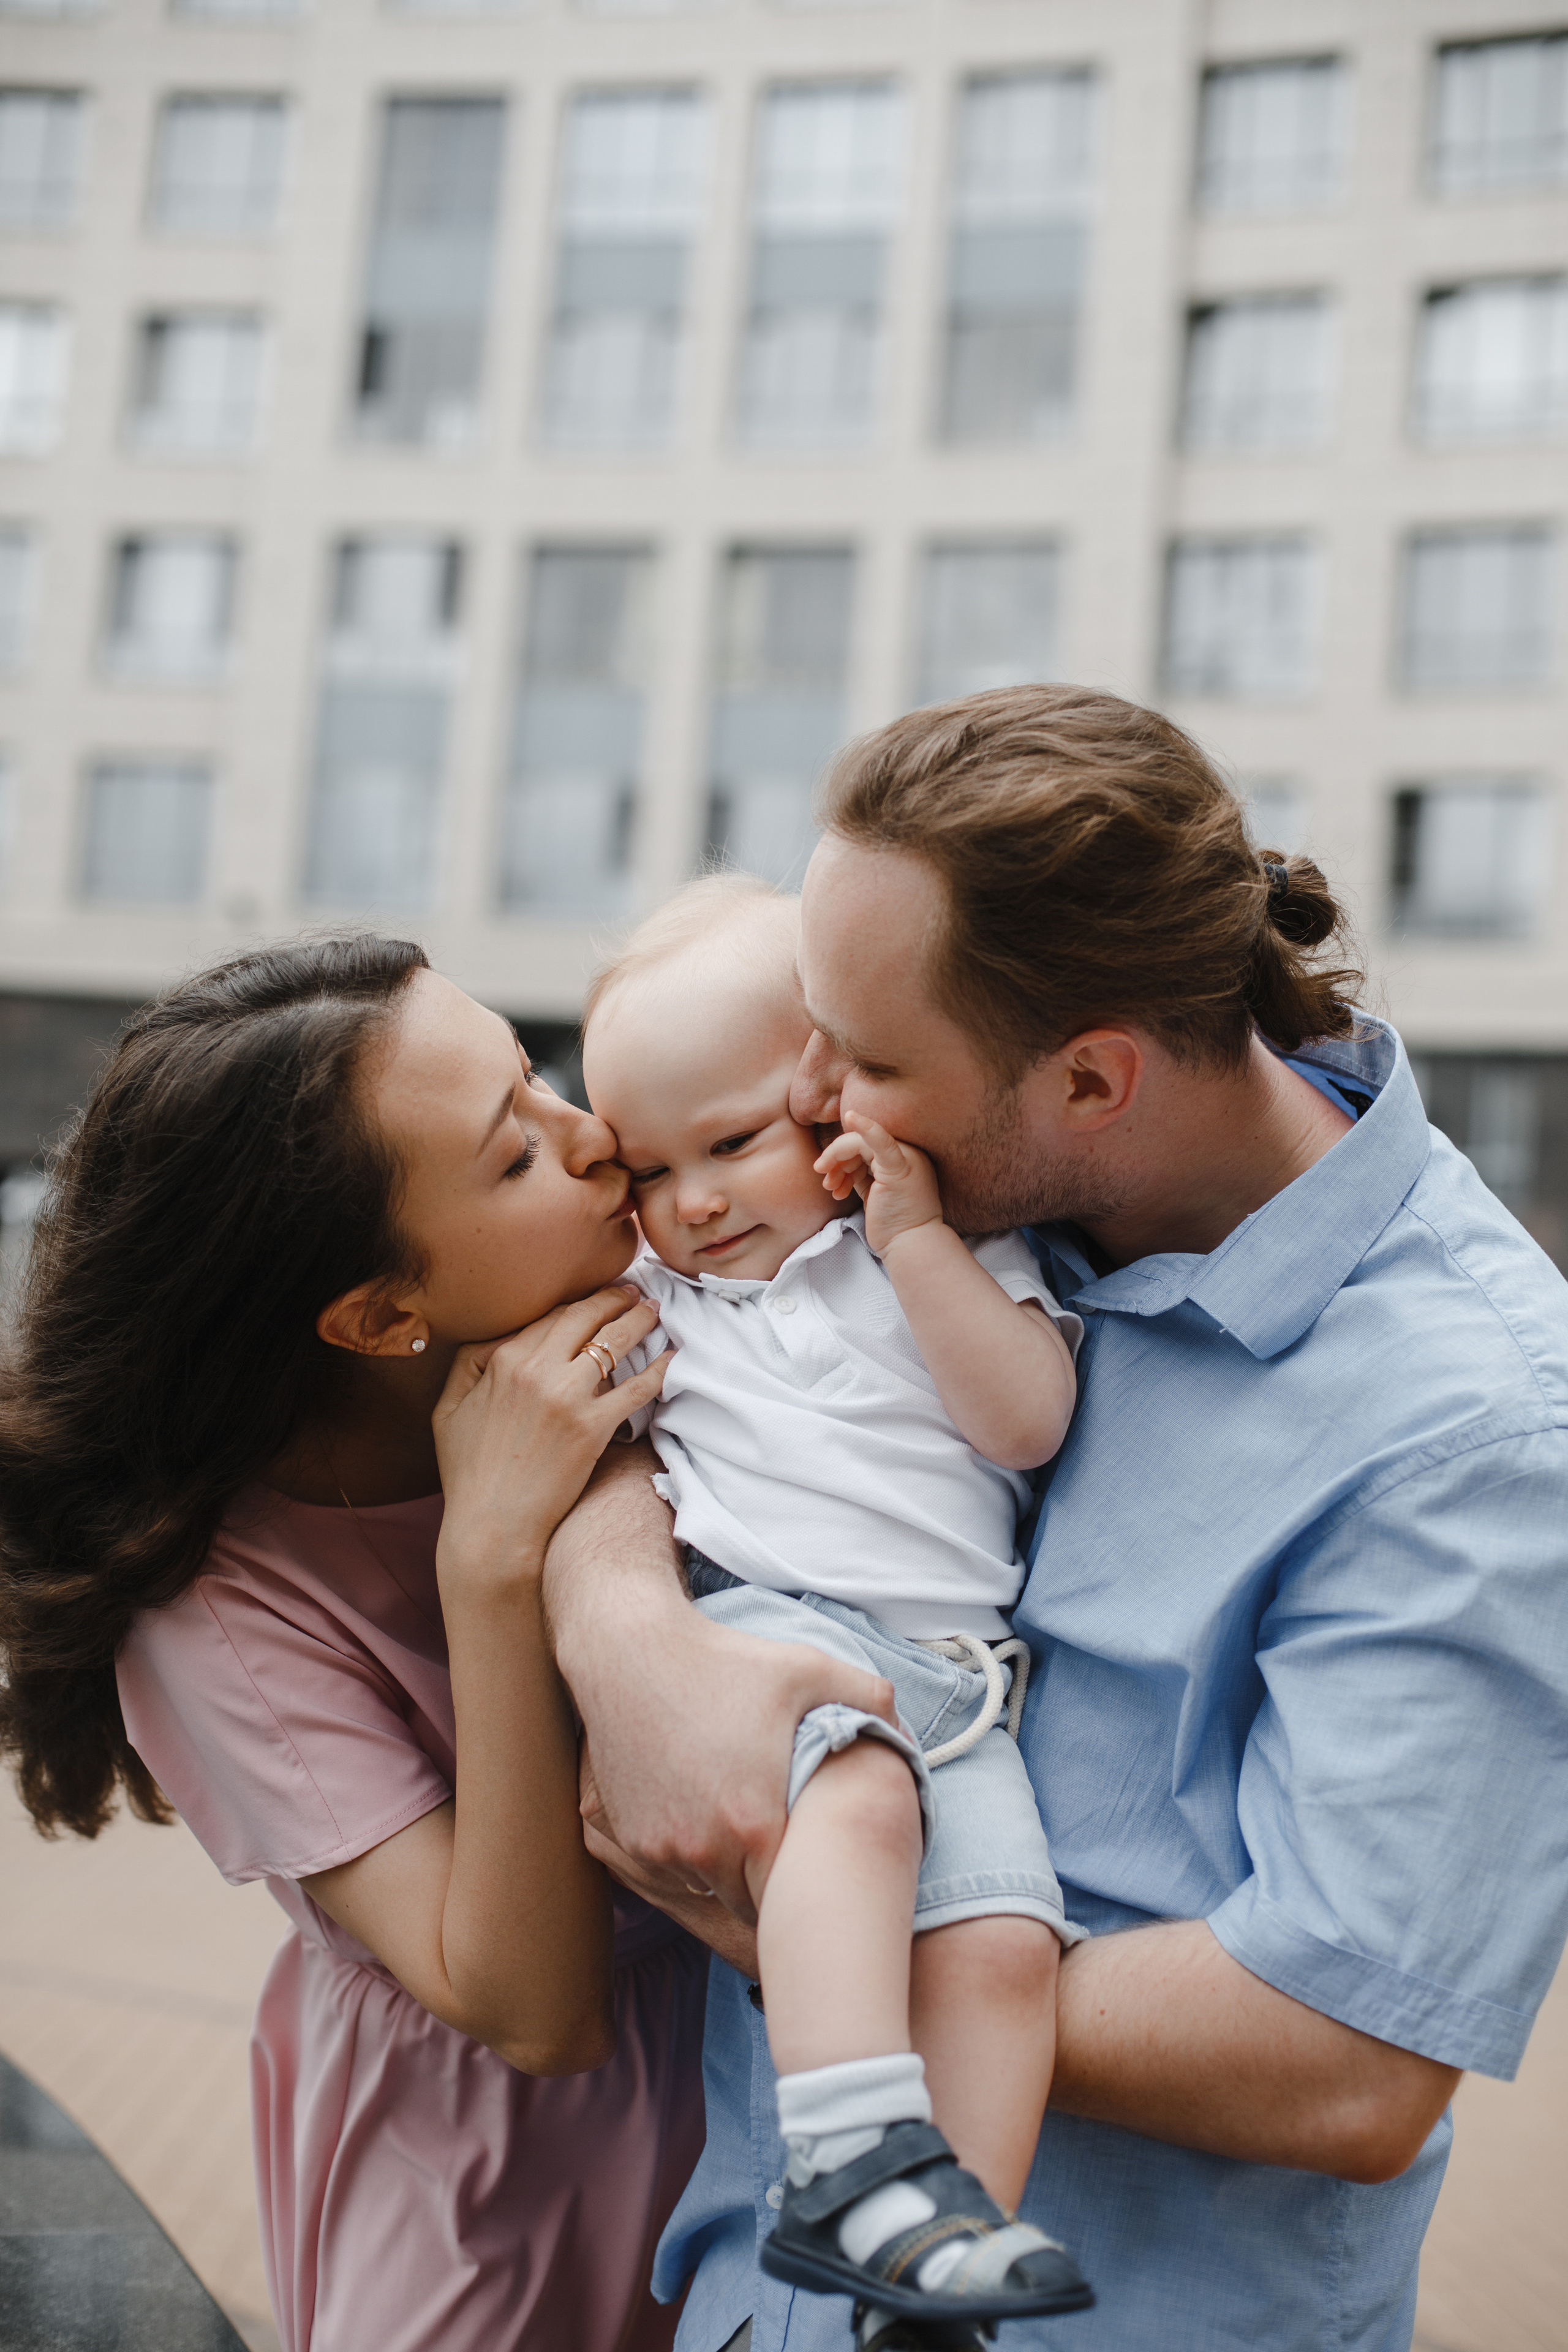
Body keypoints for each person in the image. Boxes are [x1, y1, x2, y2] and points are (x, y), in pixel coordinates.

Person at [541, 686, 1568, 2352]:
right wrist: (627, 1634)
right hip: (750, 2303)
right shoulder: (976, 1182)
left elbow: (1346, 2056)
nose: (816, 1100)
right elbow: (612, 1374)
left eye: (865, 1065)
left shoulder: (1477, 1425)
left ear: (1092, 1079)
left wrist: (814, 1928)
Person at [0, 936, 888, 2352]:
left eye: (533, 1081)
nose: (594, 1137)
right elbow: (531, 2013)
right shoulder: (216, 1608)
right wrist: (485, 1561)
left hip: (743, 2122)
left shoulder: (660, 1315)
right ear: (379, 1315)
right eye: (514, 1156)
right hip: (488, 2206)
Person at [581, 878, 1091, 2346]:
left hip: (957, 1684)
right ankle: (846, 2160)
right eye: (645, 1169)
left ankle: (935, 2272)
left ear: (830, 1103)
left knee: (1003, 1945)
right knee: (855, 1811)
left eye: (732, 1143)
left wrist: (919, 1242)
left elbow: (1025, 1422)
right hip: (767, 1637)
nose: (690, 1201)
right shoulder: (666, 1300)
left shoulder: (926, 1252)